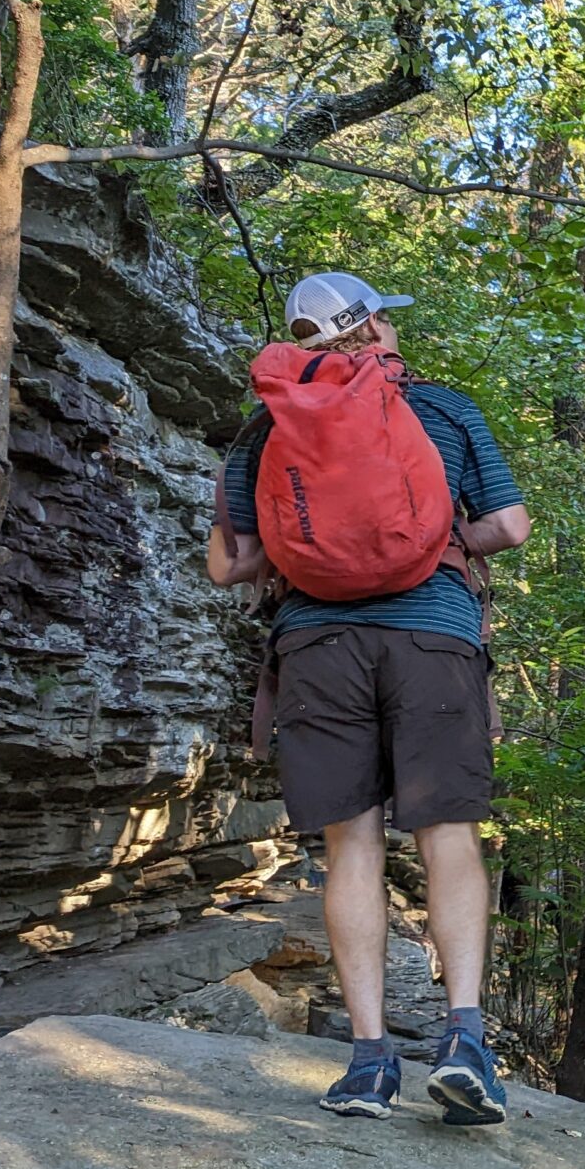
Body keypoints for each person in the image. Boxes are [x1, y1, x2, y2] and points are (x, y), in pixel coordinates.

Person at [206, 272, 532, 1124]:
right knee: (447, 834)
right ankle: (464, 1041)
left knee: (352, 846)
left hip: (319, 646)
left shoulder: (266, 424)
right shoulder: (445, 407)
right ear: (373, 329)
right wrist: (431, 536)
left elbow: (230, 565)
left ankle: (368, 1062)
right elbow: (509, 526)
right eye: (385, 315)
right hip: (435, 635)